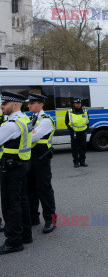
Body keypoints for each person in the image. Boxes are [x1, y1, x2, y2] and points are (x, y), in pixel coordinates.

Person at [0, 91, 32, 255]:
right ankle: (26, 235)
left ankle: (14, 241)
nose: (2, 106)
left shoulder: (11, 125)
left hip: (12, 167)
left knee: (10, 205)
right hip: (22, 164)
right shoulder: (24, 119)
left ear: (15, 105)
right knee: (22, 201)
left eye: (4, 104)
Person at [26, 93, 56, 234]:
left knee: (44, 190)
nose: (29, 105)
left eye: (32, 103)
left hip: (42, 159)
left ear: (41, 104)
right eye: (29, 103)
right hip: (30, 159)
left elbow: (33, 137)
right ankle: (33, 218)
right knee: (30, 189)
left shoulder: (46, 120)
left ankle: (51, 220)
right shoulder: (30, 118)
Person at [65, 98, 88, 168]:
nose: (78, 105)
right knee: (75, 148)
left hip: (83, 132)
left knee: (83, 147)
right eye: (77, 104)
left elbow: (87, 120)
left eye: (79, 103)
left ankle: (82, 161)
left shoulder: (84, 111)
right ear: (74, 104)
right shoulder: (69, 111)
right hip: (74, 132)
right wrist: (71, 129)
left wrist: (87, 128)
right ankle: (76, 162)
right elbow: (66, 122)